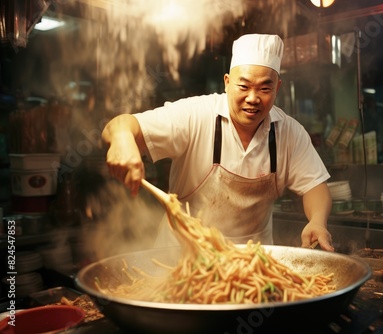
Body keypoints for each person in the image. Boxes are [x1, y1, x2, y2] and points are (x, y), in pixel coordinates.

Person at [102, 34, 334, 251]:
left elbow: (314, 185)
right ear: (227, 82)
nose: (253, 98)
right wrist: (122, 139)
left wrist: (317, 221)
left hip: (253, 266)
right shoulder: (194, 115)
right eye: (243, 86)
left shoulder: (289, 132)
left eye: (265, 88)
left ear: (278, 88)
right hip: (180, 260)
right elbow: (122, 124)